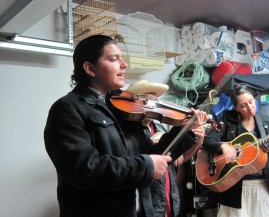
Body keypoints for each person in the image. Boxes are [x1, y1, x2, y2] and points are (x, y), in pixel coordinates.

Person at [44, 35, 207, 217]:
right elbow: (84, 168)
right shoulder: (68, 108)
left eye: (122, 58)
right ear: (90, 68)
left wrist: (184, 131)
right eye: (114, 59)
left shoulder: (122, 109)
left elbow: (156, 154)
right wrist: (145, 166)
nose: (124, 65)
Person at [202, 84, 269, 217]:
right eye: (243, 105)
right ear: (236, 107)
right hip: (234, 185)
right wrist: (223, 147)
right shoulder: (227, 121)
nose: (250, 108)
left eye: (251, 102)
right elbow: (208, 142)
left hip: (263, 184)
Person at [123, 80, 207, 217]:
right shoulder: (129, 132)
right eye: (147, 101)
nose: (154, 105)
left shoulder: (159, 127)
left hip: (167, 197)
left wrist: (198, 141)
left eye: (155, 101)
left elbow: (178, 160)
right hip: (149, 201)